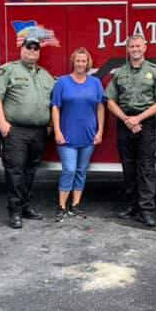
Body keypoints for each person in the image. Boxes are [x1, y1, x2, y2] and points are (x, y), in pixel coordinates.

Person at [0, 31, 55, 229]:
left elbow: (53, 103)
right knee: (15, 171)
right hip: (16, 131)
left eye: (35, 48)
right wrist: (2, 123)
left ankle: (25, 207)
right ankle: (14, 212)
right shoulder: (8, 70)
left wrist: (50, 124)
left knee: (30, 171)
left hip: (39, 131)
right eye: (28, 47)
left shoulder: (45, 75)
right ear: (21, 49)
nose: (32, 51)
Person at [106, 34, 156, 228]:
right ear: (127, 49)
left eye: (138, 46)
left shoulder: (154, 71)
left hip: (146, 123)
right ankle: (131, 206)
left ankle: (146, 210)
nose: (135, 49)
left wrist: (138, 119)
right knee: (128, 167)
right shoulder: (119, 73)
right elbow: (109, 100)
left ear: (145, 48)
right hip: (125, 123)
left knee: (146, 168)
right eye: (131, 46)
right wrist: (127, 119)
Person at [51, 47, 105, 221]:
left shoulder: (95, 83)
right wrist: (57, 131)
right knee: (69, 170)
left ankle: (75, 205)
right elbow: (55, 107)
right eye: (78, 60)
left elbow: (100, 107)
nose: (81, 63)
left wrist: (100, 131)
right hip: (67, 135)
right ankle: (61, 206)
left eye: (84, 61)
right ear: (73, 62)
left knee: (81, 171)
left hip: (88, 135)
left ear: (88, 63)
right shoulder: (62, 82)